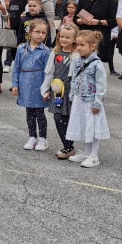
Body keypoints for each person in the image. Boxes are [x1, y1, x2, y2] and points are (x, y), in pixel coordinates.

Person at [65, 30, 110, 168]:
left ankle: (94, 156)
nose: (78, 48)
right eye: (77, 45)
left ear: (92, 46)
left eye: (82, 45)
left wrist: (97, 103)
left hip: (91, 101)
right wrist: (72, 94)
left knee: (93, 127)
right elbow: (74, 78)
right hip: (79, 99)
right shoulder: (78, 61)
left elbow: (101, 86)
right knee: (84, 126)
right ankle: (86, 153)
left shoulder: (97, 64)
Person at [11, 19, 51, 151]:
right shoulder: (21, 49)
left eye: (43, 33)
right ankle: (32, 136)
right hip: (25, 84)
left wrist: (46, 89)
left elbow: (47, 72)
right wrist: (15, 84)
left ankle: (43, 139)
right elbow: (16, 68)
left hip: (38, 84)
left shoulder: (46, 51)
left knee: (39, 112)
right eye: (37, 32)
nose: (40, 35)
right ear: (30, 32)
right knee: (29, 112)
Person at [41, 23, 79, 159]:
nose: (64, 40)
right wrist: (45, 90)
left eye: (67, 37)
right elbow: (49, 73)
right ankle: (67, 146)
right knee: (57, 117)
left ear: (74, 39)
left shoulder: (76, 55)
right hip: (57, 91)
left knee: (67, 118)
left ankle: (69, 146)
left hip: (70, 91)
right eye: (62, 37)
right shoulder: (55, 53)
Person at [75, 0, 118, 75]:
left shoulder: (108, 0)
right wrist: (81, 20)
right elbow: (76, 18)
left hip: (100, 38)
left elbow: (114, 21)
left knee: (95, 67)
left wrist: (98, 22)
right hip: (84, 36)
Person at [3, 0, 28, 69]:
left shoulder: (25, 0)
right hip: (12, 28)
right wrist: (8, 24)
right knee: (11, 47)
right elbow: (10, 14)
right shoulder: (12, 1)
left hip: (22, 28)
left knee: (21, 47)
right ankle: (10, 63)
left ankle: (22, 65)